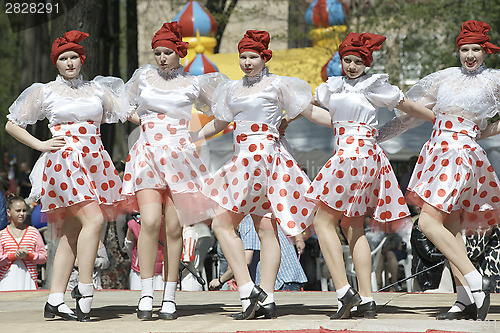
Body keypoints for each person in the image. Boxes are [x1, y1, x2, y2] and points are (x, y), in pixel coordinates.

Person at [192, 30, 332, 320]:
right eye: (242, 56)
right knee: (241, 226)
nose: (246, 62)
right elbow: (219, 122)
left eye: (252, 56)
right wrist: (192, 137)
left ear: (264, 57)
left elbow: (309, 111)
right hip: (244, 159)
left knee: (255, 227)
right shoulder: (232, 89)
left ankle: (258, 293)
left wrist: (344, 124)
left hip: (265, 159)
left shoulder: (278, 84)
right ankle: (256, 293)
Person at [300, 32, 434, 319]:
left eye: (358, 61)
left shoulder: (373, 86)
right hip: (361, 157)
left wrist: (438, 119)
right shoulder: (333, 87)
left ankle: (343, 291)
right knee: (353, 227)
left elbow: (406, 106)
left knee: (321, 221)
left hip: (354, 158)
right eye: (347, 60)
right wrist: (288, 114)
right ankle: (368, 298)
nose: (351, 66)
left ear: (367, 63)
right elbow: (325, 117)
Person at [5, 30, 131, 321]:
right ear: (56, 63)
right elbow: (12, 125)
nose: (70, 62)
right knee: (95, 219)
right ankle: (85, 289)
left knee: (71, 233)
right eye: (63, 58)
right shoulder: (45, 91)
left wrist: (165, 121)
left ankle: (54, 299)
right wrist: (40, 145)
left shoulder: (98, 90)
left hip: (94, 161)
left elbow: (129, 112)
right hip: (63, 162)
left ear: (82, 59)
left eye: (74, 56)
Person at [121, 21, 226, 320]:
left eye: (167, 52)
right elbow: (121, 104)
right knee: (150, 221)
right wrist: (139, 120)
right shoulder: (143, 77)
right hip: (147, 155)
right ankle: (145, 294)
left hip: (181, 158)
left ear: (179, 52)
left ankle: (169, 294)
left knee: (173, 227)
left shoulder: (193, 83)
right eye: (157, 53)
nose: (162, 58)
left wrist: (198, 136)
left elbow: (222, 113)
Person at [398, 20, 500, 321]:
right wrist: (395, 107)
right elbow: (422, 114)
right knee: (451, 228)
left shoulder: (494, 80)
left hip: (460, 154)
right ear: (458, 50)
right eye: (465, 49)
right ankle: (464, 299)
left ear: (485, 51)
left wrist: (477, 132)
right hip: (437, 151)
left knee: (428, 224)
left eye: (476, 50)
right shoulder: (444, 78)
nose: (470, 55)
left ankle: (475, 278)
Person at [0, 195, 47, 290]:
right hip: (6, 281)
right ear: (9, 212)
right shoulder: (2, 234)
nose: (22, 214)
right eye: (18, 211)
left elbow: (43, 257)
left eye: (24, 210)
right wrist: (12, 256)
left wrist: (29, 255)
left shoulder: (33, 232)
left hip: (29, 280)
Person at [124, 215, 165, 291]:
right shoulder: (134, 224)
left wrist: (135, 259)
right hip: (148, 271)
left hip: (146, 271)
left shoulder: (134, 223)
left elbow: (129, 246)